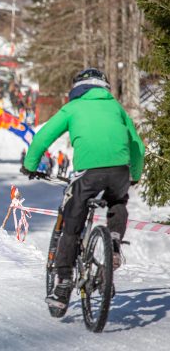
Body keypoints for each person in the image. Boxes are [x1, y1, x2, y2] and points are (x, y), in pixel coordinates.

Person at [21, 68, 145, 309]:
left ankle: (64, 283)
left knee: (71, 226)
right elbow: (137, 146)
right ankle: (115, 241)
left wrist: (30, 166)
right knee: (117, 202)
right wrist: (135, 175)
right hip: (119, 170)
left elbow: (42, 137)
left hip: (88, 174)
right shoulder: (116, 108)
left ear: (78, 88)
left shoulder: (73, 108)